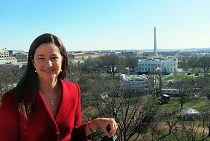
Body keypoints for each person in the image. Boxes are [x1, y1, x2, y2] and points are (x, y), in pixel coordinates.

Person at [0, 33, 118, 141]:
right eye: (41, 58)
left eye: (54, 57)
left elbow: (73, 134)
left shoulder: (73, 90)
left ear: (62, 59)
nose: (49, 64)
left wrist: (95, 124)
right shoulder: (13, 98)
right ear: (33, 62)